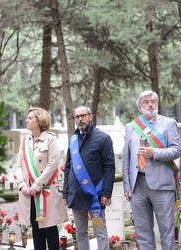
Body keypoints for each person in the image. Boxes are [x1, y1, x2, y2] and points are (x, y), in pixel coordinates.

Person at [123, 90, 181, 250]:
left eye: (153, 101)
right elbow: (127, 158)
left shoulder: (168, 123)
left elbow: (176, 150)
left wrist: (154, 153)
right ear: (140, 107)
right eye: (146, 102)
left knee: (167, 230)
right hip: (138, 185)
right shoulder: (131, 127)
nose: (150, 104)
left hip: (162, 184)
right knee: (142, 231)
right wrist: (127, 186)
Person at [63, 105, 115, 250]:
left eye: (83, 115)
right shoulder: (73, 140)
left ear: (90, 117)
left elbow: (109, 166)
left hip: (95, 196)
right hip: (76, 194)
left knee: (100, 232)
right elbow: (68, 167)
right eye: (77, 117)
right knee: (80, 233)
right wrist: (66, 192)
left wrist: (106, 192)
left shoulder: (103, 138)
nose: (80, 119)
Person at [15, 107, 68, 250]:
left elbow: (52, 165)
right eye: (27, 117)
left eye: (30, 118)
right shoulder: (25, 141)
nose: (27, 120)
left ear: (40, 120)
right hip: (29, 194)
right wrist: (22, 185)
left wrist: (36, 185)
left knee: (50, 230)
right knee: (36, 230)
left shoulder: (51, 139)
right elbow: (18, 166)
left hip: (46, 192)